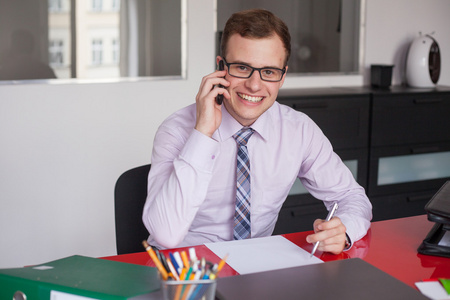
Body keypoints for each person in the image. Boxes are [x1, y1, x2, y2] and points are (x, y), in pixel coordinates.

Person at [142, 9, 372, 254]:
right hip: (183, 269)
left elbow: (352, 197)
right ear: (221, 67)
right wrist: (202, 134)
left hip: (254, 268)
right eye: (242, 68)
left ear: (282, 77)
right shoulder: (176, 129)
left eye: (269, 72)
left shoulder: (299, 130)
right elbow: (165, 234)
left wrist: (343, 230)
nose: (254, 84)